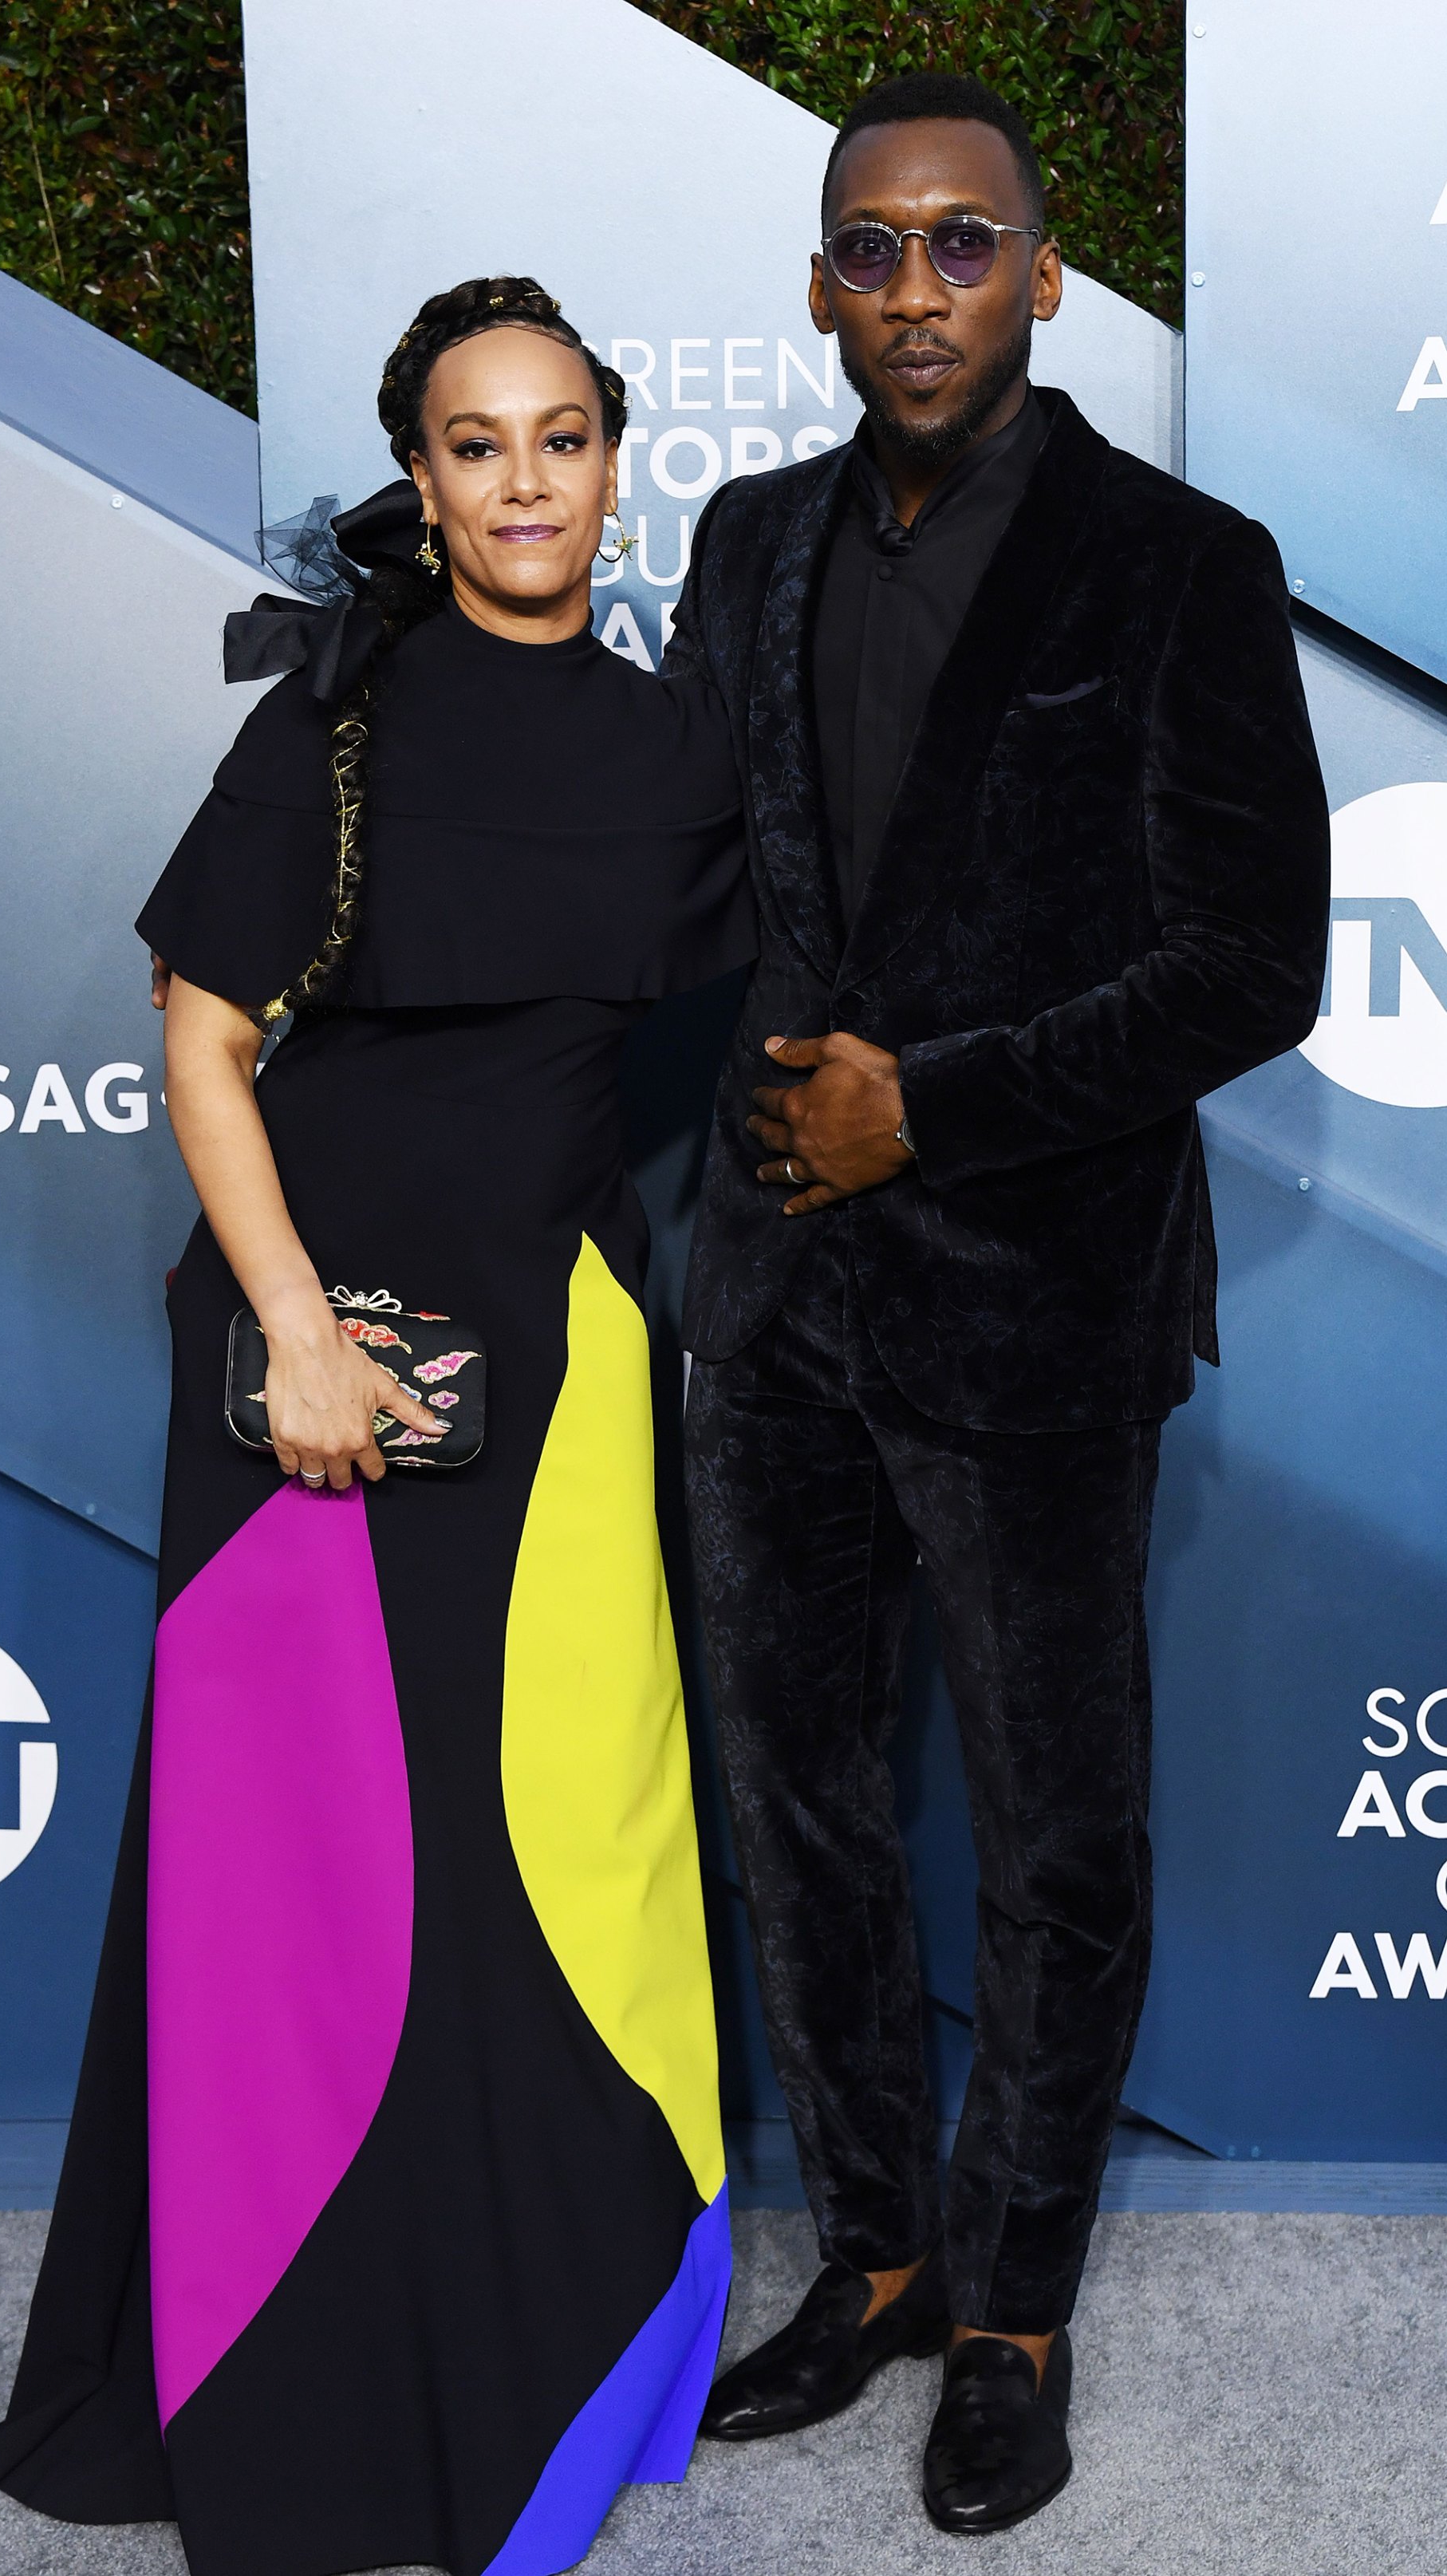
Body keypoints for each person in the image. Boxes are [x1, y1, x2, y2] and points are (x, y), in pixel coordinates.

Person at [0, 277, 755, 2576]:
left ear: (614, 464)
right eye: (475, 444)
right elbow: (203, 1043)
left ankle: (542, 2358)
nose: (524, 483)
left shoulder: (675, 747)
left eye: (561, 438)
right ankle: (296, 2398)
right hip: (314, 1357)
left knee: (566, 1866)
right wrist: (305, 1338)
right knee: (308, 1891)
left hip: (563, 1345)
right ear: (419, 479)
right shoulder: (335, 716)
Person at [667, 71, 1331, 2535]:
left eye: (966, 243)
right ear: (820, 286)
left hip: (1036, 1308)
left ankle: (1016, 2311)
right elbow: (679, 871)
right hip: (771, 1299)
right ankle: (875, 2252)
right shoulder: (747, 541)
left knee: (1057, 1836)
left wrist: (928, 1110)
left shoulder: (1181, 564)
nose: (919, 288)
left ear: (1045, 278)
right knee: (801, 1806)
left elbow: (1251, 963)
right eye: (874, 246)